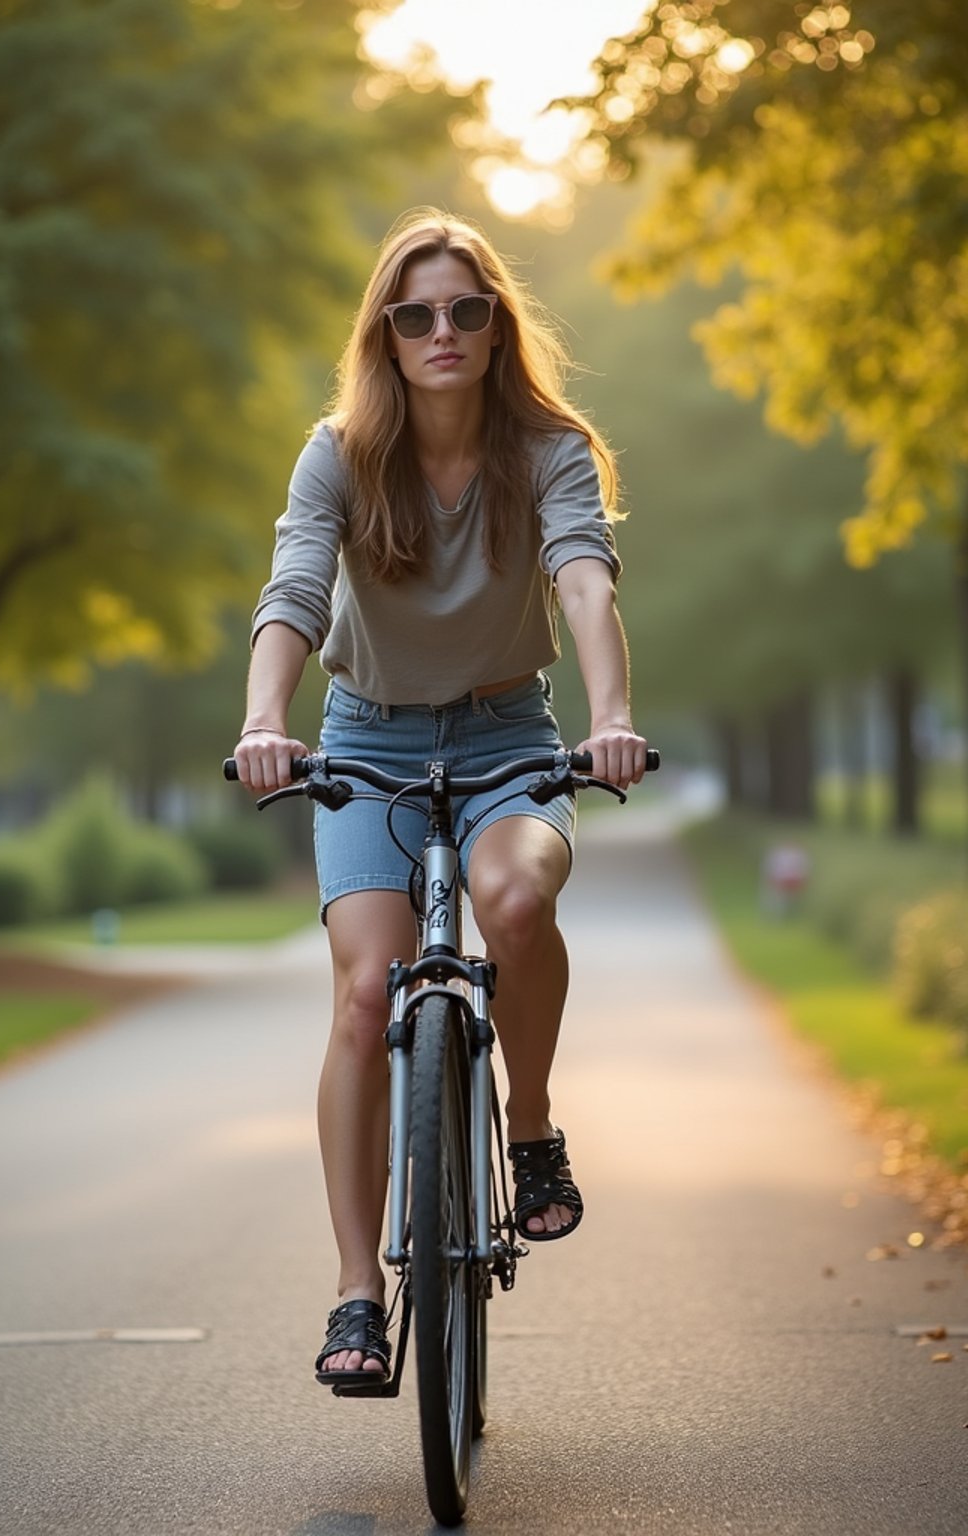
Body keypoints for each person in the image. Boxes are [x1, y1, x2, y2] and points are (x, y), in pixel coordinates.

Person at [233, 208, 648, 1387]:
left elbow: (581, 578)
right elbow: (294, 591)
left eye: (467, 308)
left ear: (496, 323)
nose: (441, 331)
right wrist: (266, 723)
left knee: (514, 900)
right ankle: (359, 1294)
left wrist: (612, 717)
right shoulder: (340, 453)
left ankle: (528, 1128)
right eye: (414, 314)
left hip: (509, 733)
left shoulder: (549, 450)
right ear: (386, 335)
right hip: (365, 735)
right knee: (368, 993)